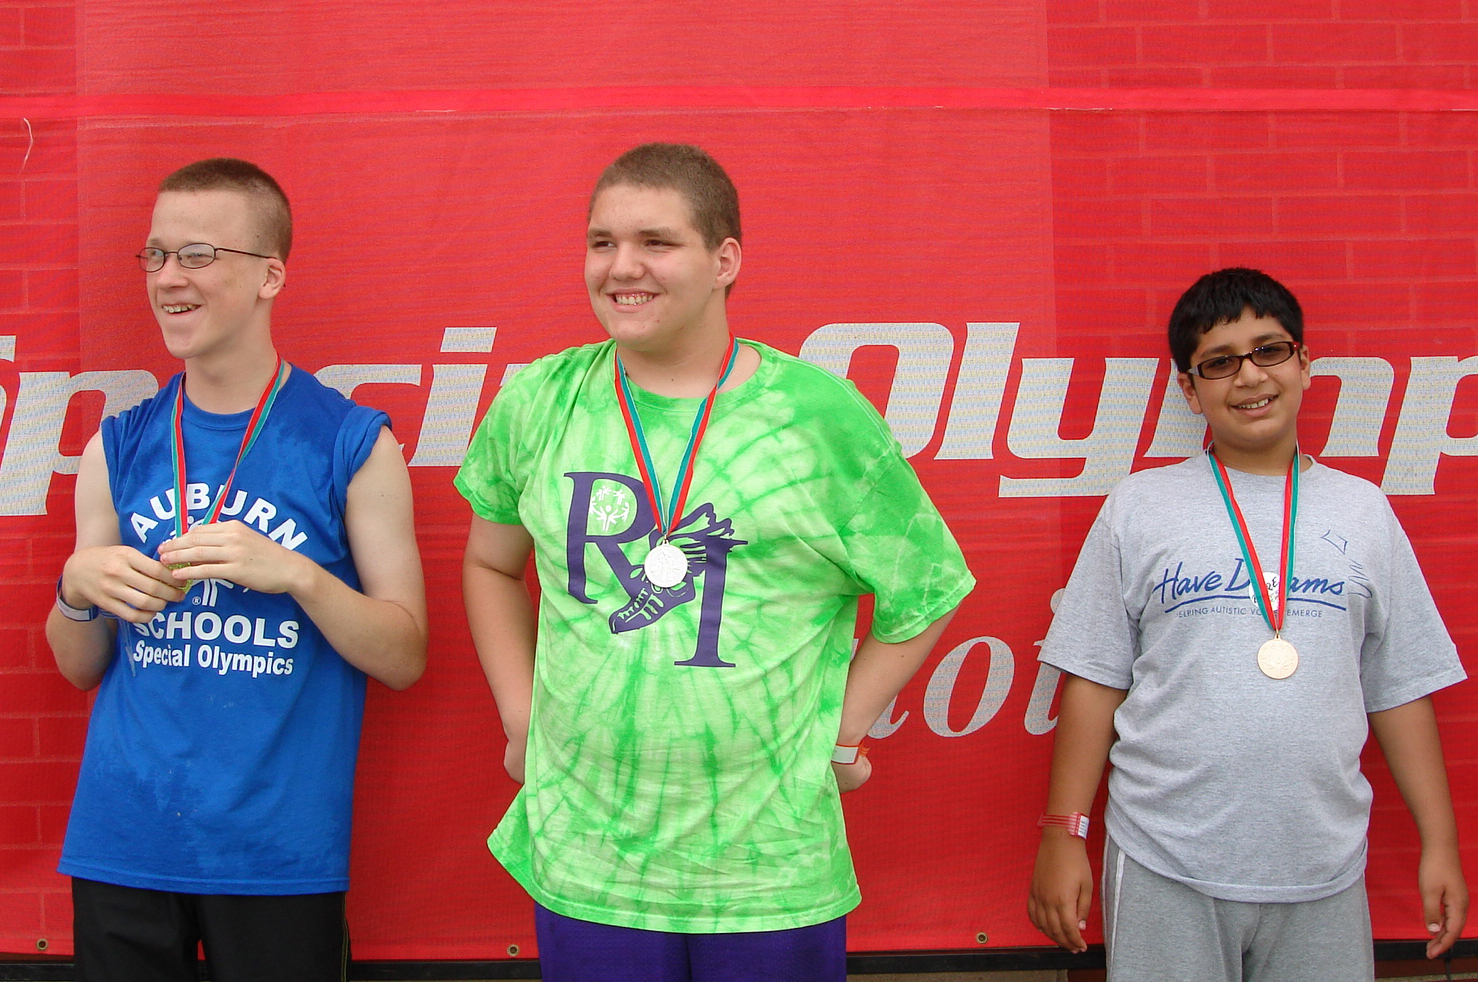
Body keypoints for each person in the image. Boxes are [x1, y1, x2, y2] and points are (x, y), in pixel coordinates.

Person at [456, 142, 974, 982]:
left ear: (724, 259)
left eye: (656, 242)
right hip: (590, 859)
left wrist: (839, 729)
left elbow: (929, 589)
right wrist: (522, 717)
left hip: (765, 865)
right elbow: (488, 565)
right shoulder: (540, 400)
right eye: (601, 242)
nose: (623, 267)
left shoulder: (814, 416)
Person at [47, 158, 428, 982]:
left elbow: (404, 654)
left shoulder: (353, 443)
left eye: (197, 255)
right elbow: (80, 669)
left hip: (276, 852)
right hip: (124, 845)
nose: (167, 279)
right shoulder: (115, 445)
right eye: (154, 255)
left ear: (270, 275)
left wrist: (298, 574)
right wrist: (77, 588)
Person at [1027, 267, 1469, 980]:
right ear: (1189, 389)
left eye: (1269, 350)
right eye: (1220, 362)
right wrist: (1062, 834)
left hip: (1322, 864)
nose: (1249, 377)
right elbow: (1093, 684)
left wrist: (1440, 843)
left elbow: (1399, 689)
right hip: (1164, 857)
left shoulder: (1363, 512)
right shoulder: (1140, 507)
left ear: (1304, 363)